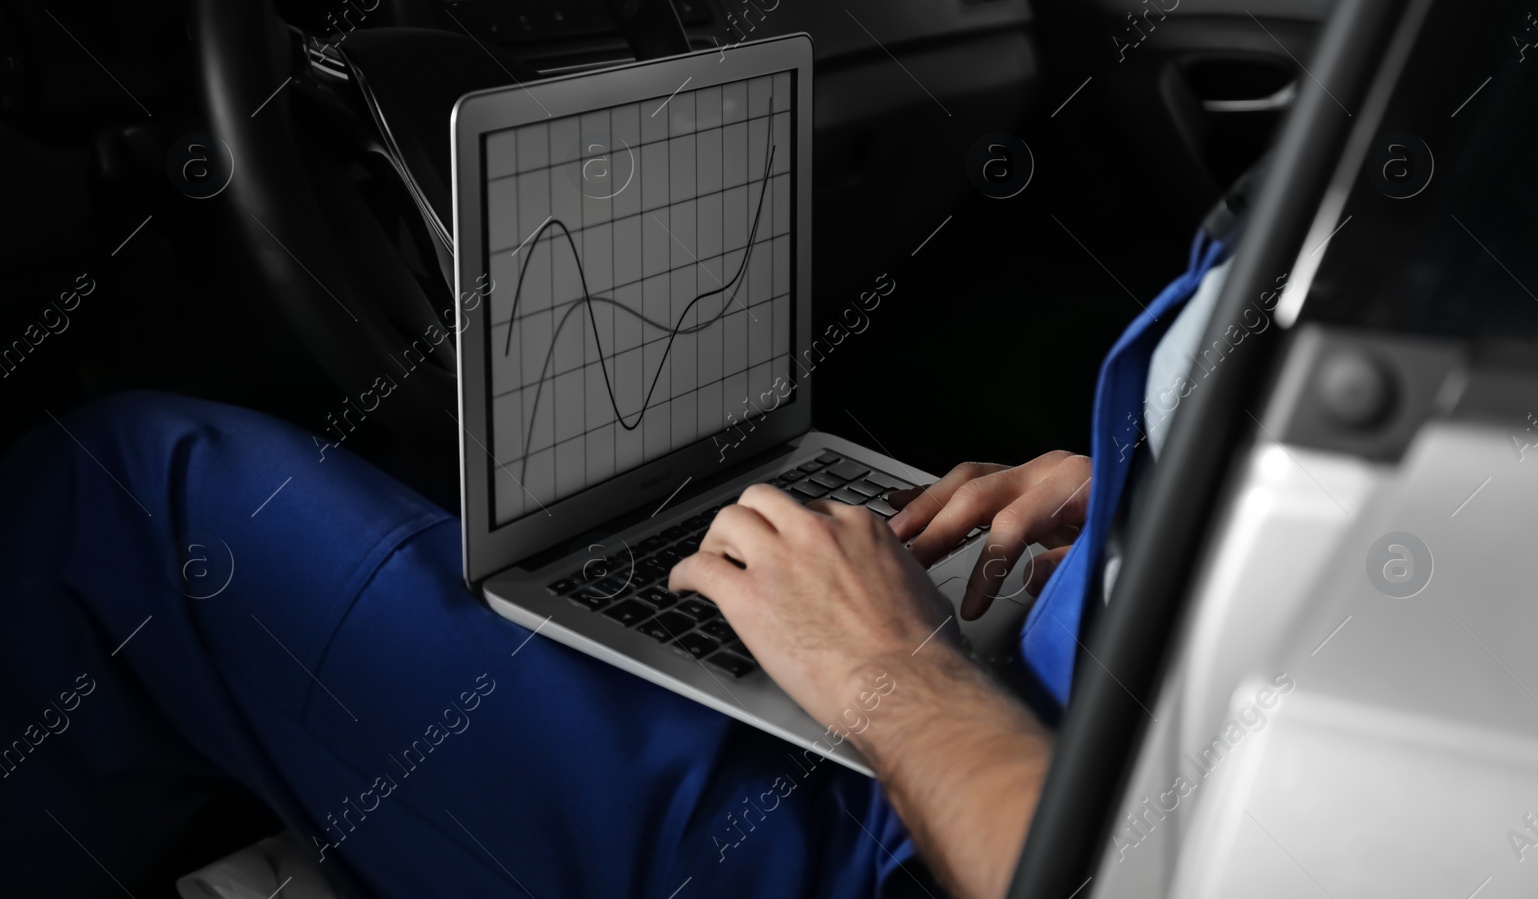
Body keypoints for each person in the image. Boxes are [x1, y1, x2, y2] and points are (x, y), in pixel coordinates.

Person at [0, 188, 1247, 898]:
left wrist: (890, 673)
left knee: (132, 493)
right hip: (1044, 688)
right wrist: (1144, 499)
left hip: (887, 848)